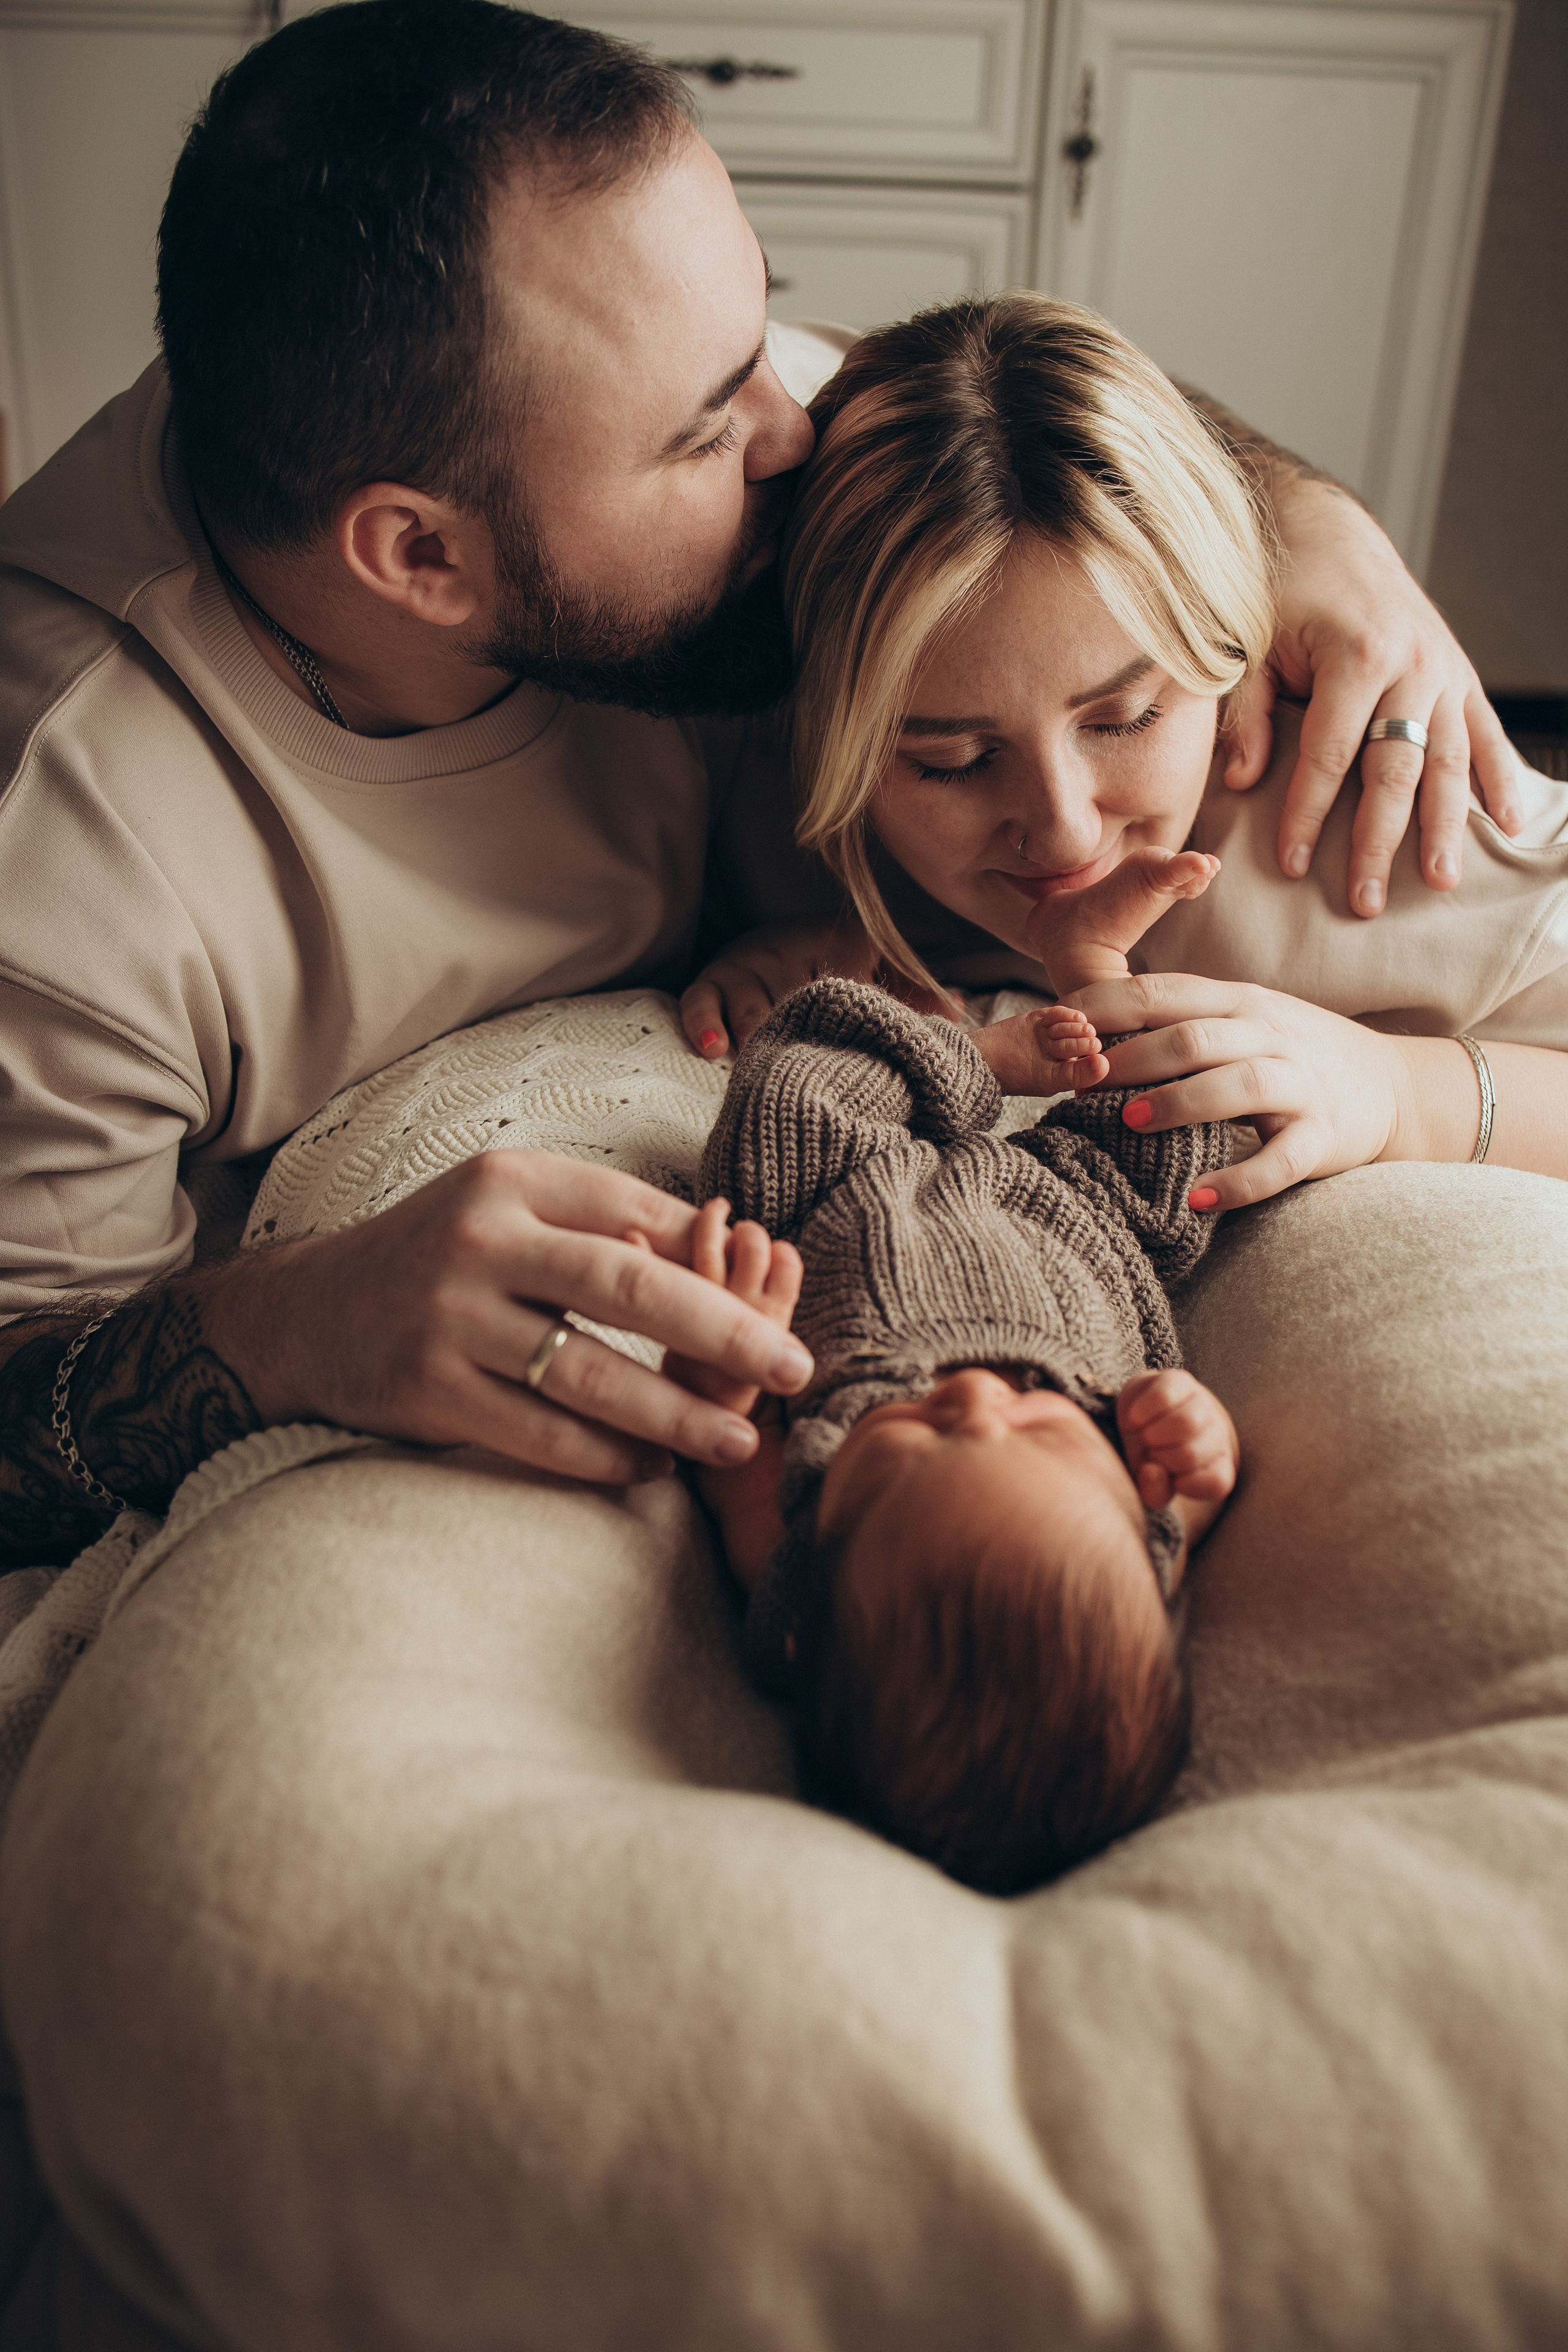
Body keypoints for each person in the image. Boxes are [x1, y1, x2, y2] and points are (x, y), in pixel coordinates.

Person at [0, 1, 1520, 1569]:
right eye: (708, 427)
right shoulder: (68, 856)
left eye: (760, 335)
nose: (797, 422)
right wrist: (283, 1330)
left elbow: (1012, 421)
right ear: (422, 555)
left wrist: (1309, 524)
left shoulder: (666, 407)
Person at [684, 295, 1568, 1210]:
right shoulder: (767, 811)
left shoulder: (1382, 830)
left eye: (1129, 717)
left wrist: (1401, 1093)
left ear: (1232, 644)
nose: (1066, 835)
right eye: (951, 762)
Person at [665, 836, 1241, 1893]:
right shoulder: (1142, 1542)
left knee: (788, 1084)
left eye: (910, 1451)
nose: (975, 1402)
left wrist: (724, 1367)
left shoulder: (791, 1580)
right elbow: (1189, 1492)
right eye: (1044, 1438)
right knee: (1196, 1117)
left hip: (848, 1201)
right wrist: (1195, 1445)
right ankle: (1092, 959)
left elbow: (728, 1459)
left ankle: (975, 1060)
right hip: (1083, 1223)